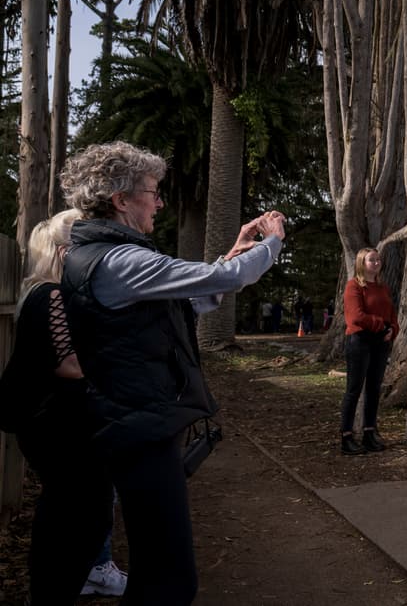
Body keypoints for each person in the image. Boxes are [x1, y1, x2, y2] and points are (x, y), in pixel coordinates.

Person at [59, 141, 286, 604]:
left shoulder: (105, 257)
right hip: (139, 427)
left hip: (133, 422)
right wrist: (273, 243)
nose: (160, 202)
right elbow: (217, 281)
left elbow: (180, 305)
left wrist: (232, 254)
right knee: (170, 576)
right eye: (153, 191)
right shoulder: (119, 261)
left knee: (157, 567)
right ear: (121, 200)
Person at [0, 209, 122, 603]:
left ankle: (55, 589)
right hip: (55, 425)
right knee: (80, 513)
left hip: (55, 423)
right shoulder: (51, 293)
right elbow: (69, 364)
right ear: (63, 252)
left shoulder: (43, 291)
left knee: (75, 510)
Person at [339, 248, 399, 455]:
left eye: (378, 259)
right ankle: (346, 436)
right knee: (354, 389)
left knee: (374, 389)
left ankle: (369, 432)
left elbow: (391, 313)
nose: (376, 263)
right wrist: (381, 325)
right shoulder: (353, 286)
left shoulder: (382, 287)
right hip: (360, 340)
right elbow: (356, 316)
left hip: (381, 342)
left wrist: (392, 329)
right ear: (361, 263)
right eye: (371, 260)